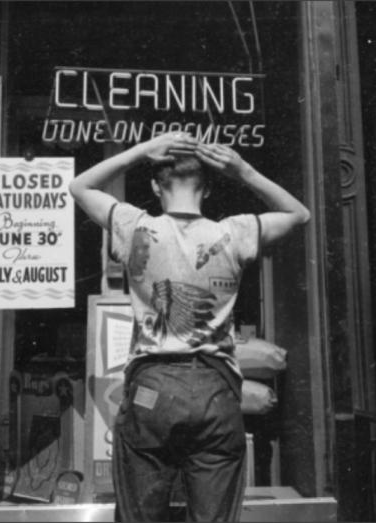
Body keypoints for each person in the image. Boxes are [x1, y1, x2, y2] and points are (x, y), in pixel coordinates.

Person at [69, 131, 310, 522]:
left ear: (154, 185)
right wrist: (243, 170)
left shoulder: (135, 227)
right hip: (215, 394)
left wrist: (142, 150)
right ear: (210, 188)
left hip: (152, 390)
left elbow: (80, 185)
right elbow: (299, 214)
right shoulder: (233, 233)